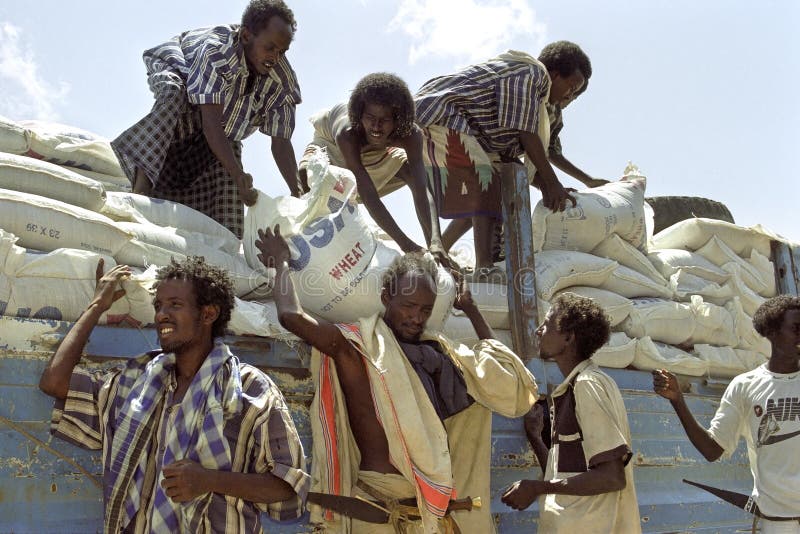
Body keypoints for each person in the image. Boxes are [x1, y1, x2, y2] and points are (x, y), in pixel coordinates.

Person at [255, 225, 538, 533]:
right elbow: (291, 317)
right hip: (376, 511)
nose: (416, 317)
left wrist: (471, 310)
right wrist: (279, 264)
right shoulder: (356, 350)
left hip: (428, 516)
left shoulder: (440, 358)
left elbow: (508, 380)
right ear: (386, 296)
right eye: (408, 306)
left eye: (425, 310)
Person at [38, 257, 309, 533]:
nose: (161, 315)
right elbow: (54, 381)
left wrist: (209, 481)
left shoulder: (250, 389)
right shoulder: (136, 384)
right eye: (158, 306)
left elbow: (287, 486)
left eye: (174, 305)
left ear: (208, 314)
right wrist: (97, 306)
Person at [111, 0, 304, 239]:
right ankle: (141, 193)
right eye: (270, 48)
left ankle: (225, 240)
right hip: (181, 71)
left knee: (230, 160)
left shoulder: (283, 83)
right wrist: (237, 174)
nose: (275, 57)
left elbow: (281, 142)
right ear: (246, 36)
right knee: (174, 95)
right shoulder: (217, 51)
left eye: (282, 52)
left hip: (222, 118)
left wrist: (298, 193)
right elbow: (210, 123)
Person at [414, 41, 591, 274]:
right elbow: (527, 134)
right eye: (571, 86)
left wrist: (546, 184)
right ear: (555, 74)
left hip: (461, 127)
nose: (571, 94)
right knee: (483, 185)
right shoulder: (533, 73)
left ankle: (433, 258)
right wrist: (552, 182)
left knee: (489, 195)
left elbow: (520, 156)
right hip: (441, 112)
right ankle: (485, 267)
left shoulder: (544, 109)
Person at [652, 295, 800, 532]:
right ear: (772, 332)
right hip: (778, 523)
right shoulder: (746, 386)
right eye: (796, 328)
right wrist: (678, 400)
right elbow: (712, 450)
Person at [502, 294, 641, 533]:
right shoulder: (580, 385)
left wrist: (537, 488)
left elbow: (612, 476)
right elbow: (567, 473)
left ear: (568, 337)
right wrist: (536, 437)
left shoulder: (587, 386)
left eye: (546, 325)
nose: (538, 331)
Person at [298, 73, 446, 261]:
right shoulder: (347, 133)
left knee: (409, 171)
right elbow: (368, 195)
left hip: (377, 150)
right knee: (306, 178)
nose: (376, 126)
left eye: (385, 120)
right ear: (360, 115)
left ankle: (437, 251)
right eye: (370, 117)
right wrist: (407, 245)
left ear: (398, 119)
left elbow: (421, 188)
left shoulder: (410, 135)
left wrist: (435, 242)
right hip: (333, 145)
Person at [538, 42, 609, 190]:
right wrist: (550, 185)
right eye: (571, 89)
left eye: (574, 96)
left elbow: (550, 151)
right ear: (554, 75)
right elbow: (529, 141)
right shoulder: (530, 85)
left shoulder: (553, 117)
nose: (568, 97)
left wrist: (589, 181)